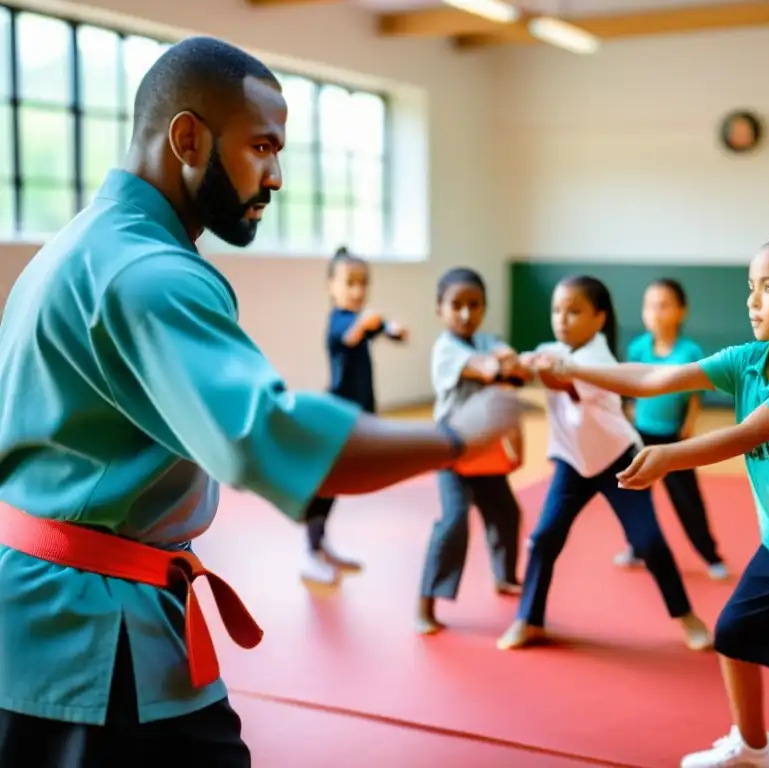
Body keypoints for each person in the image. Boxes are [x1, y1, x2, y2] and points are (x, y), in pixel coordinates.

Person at [0, 37, 520, 766]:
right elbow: (263, 437)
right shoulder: (150, 272)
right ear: (188, 138)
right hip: (91, 639)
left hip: (53, 621)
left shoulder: (78, 247)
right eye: (262, 148)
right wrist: (457, 436)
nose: (275, 176)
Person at [532, 233, 769, 768]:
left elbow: (748, 435)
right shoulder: (750, 359)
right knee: (734, 636)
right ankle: (754, 749)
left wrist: (669, 456)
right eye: (750, 288)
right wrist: (573, 369)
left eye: (768, 288)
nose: (752, 301)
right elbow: (653, 379)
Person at [497, 275, 710, 652]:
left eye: (574, 311)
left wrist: (533, 365)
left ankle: (687, 618)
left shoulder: (598, 360)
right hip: (572, 463)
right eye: (557, 310)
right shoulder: (554, 348)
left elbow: (558, 378)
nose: (562, 319)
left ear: (598, 319)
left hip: (616, 461)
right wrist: (510, 361)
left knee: (649, 542)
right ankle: (528, 619)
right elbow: (533, 362)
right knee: (544, 537)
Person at [416, 267, 526, 635]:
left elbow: (510, 369)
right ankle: (425, 603)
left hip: (486, 449)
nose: (466, 313)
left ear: (484, 307)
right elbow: (493, 369)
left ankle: (505, 576)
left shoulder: (485, 339)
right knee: (454, 521)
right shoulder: (446, 350)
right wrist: (507, 364)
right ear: (440, 309)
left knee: (507, 514)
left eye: (474, 305)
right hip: (450, 449)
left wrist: (510, 363)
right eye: (457, 305)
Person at [299, 246, 409, 585]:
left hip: (356, 418)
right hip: (337, 418)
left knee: (335, 485)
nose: (357, 291)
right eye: (349, 283)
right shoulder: (338, 322)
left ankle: (320, 545)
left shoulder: (360, 320)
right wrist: (369, 324)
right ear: (331, 287)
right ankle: (311, 553)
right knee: (327, 485)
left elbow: (382, 329)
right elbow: (351, 335)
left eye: (363, 284)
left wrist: (393, 329)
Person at [614, 277, 728, 580]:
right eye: (650, 306)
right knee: (635, 497)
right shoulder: (638, 348)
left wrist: (688, 426)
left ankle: (710, 555)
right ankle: (637, 547)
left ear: (681, 311)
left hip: (674, 438)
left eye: (664, 305)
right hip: (640, 435)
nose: (656, 312)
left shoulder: (689, 351)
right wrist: (628, 421)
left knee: (688, 500)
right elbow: (628, 389)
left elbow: (696, 394)